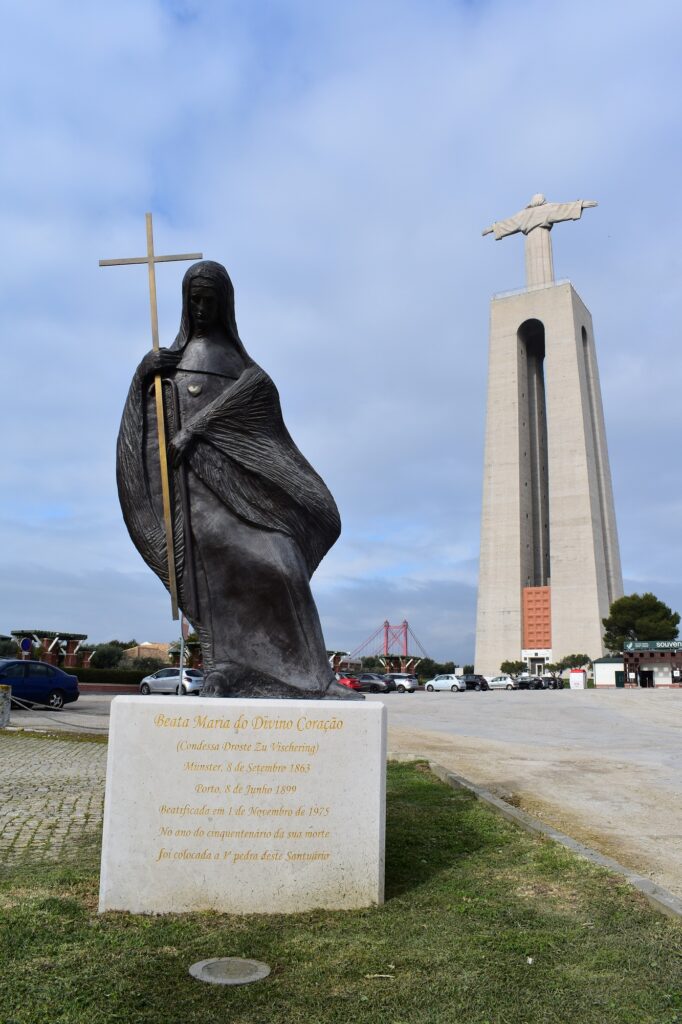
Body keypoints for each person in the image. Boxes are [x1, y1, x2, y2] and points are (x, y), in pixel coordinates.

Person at [117, 260, 353, 698]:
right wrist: (143, 373)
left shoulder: (243, 368)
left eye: (210, 300)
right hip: (196, 498)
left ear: (224, 304)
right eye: (195, 301)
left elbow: (258, 405)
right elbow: (146, 430)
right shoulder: (167, 365)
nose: (202, 308)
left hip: (243, 489)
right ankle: (223, 665)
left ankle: (316, 678)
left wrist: (201, 426)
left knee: (285, 564)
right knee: (211, 579)